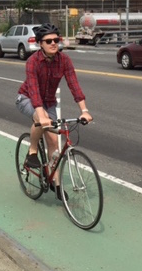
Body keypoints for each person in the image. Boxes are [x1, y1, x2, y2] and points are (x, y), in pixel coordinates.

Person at [15, 23, 92, 200]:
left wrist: (84, 110)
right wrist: (42, 116)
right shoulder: (32, 62)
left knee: (54, 145)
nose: (53, 43)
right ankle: (32, 151)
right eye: (48, 41)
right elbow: (34, 92)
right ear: (40, 44)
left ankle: (55, 184)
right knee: (39, 120)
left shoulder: (64, 60)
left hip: (49, 102)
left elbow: (74, 86)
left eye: (56, 40)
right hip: (26, 98)